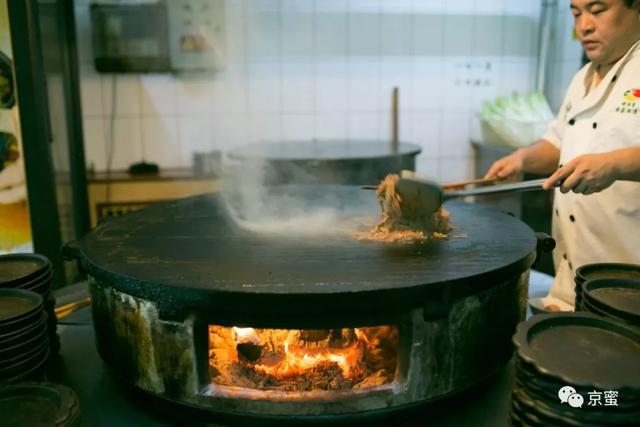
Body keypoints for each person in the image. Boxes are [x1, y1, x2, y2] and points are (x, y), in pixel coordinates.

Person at [486, 0, 640, 310]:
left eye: (598, 10)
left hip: (628, 286)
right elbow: (559, 142)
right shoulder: (581, 77)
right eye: (576, 13)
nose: (584, 25)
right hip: (572, 281)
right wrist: (522, 159)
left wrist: (612, 164)